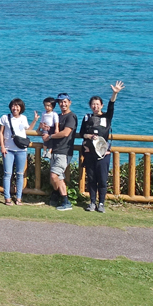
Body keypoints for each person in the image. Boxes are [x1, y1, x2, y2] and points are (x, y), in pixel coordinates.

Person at [80, 81, 125, 213]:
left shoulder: (106, 116)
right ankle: (92, 202)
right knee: (92, 178)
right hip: (89, 152)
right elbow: (82, 133)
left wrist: (114, 93)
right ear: (90, 105)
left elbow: (111, 106)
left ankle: (102, 203)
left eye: (97, 104)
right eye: (93, 104)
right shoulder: (87, 117)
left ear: (101, 105)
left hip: (103, 153)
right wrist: (88, 137)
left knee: (102, 179)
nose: (95, 106)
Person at [0, 98, 36, 205]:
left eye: (17, 106)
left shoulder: (23, 118)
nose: (15, 108)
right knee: (7, 174)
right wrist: (2, 146)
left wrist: (35, 120)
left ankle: (19, 198)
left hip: (21, 150)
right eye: (13, 106)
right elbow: (0, 133)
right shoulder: (5, 117)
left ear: (21, 108)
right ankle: (7, 198)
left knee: (20, 174)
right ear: (10, 107)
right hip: (8, 149)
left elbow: (28, 130)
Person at [44, 93, 78, 211]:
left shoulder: (71, 117)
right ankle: (59, 196)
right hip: (55, 150)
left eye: (65, 102)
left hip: (64, 151)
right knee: (58, 177)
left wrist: (51, 136)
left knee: (54, 176)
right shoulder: (57, 116)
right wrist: (45, 128)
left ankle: (64, 199)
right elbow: (51, 129)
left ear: (69, 102)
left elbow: (65, 133)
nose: (63, 104)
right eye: (60, 102)